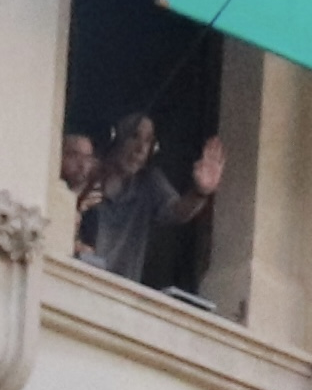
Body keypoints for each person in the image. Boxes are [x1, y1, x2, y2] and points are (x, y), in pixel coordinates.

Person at [68, 112, 223, 285]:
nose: (140, 149)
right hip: (79, 281)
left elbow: (177, 211)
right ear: (115, 137)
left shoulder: (149, 182)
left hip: (122, 293)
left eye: (148, 141)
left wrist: (200, 192)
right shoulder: (88, 175)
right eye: (134, 136)